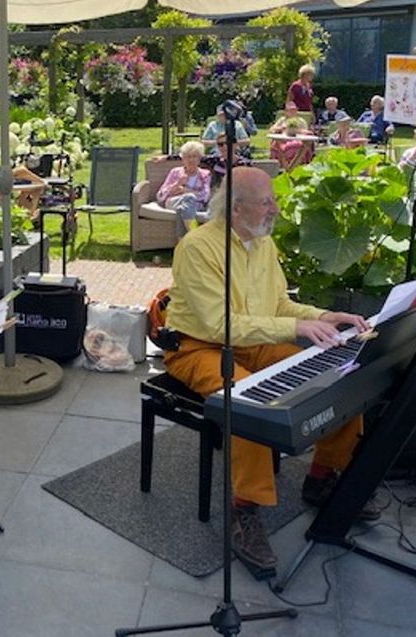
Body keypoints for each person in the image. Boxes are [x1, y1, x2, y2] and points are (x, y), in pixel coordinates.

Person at [163, 166, 380, 577]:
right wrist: (296, 328)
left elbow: (279, 305)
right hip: (197, 346)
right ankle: (244, 511)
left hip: (254, 340)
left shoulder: (263, 244)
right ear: (236, 207)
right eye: (266, 202)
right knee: (248, 402)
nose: (275, 209)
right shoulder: (197, 247)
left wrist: (323, 315)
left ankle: (321, 476)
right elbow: (217, 324)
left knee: (336, 373)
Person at [156, 141, 212, 237]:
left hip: (195, 205)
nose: (191, 160)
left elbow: (205, 196)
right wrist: (177, 184)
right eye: (188, 157)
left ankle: (182, 240)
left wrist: (186, 191)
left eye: (194, 156)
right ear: (183, 159)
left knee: (182, 209)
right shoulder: (175, 172)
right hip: (173, 202)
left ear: (199, 159)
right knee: (189, 199)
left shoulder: (205, 174)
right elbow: (161, 195)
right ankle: (194, 235)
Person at [269, 102, 313, 169]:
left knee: (300, 146)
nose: (293, 112)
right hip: (283, 141)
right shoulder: (282, 120)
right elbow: (271, 130)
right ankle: (287, 166)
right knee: (276, 145)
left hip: (297, 141)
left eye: (294, 110)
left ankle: (291, 166)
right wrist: (281, 128)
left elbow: (306, 132)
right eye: (290, 110)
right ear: (286, 111)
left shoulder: (301, 121)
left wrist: (298, 131)